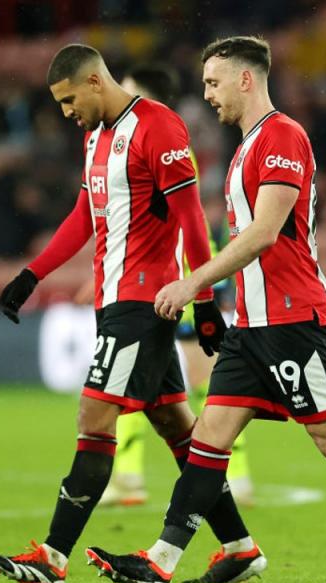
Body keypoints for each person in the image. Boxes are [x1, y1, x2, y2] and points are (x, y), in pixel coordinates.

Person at [85, 36, 326, 583]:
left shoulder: (283, 137)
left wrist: (195, 281)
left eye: (213, 83)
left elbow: (265, 234)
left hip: (293, 322)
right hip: (251, 327)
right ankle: (161, 562)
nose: (206, 94)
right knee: (208, 440)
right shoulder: (246, 146)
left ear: (247, 79)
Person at [0, 44, 266, 583]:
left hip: (143, 305)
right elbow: (82, 216)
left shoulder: (158, 127)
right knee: (177, 428)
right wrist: (32, 273)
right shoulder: (94, 138)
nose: (66, 112)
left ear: (94, 81)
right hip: (116, 303)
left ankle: (53, 557)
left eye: (69, 100)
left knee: (94, 418)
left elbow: (190, 219)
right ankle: (239, 547)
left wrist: (203, 302)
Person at [98, 63, 255, 508]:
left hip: (185, 277)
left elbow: (193, 219)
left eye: (126, 89)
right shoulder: (130, 140)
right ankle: (129, 476)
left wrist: (203, 290)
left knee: (202, 386)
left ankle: (232, 474)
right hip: (157, 281)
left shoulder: (166, 137)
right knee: (139, 385)